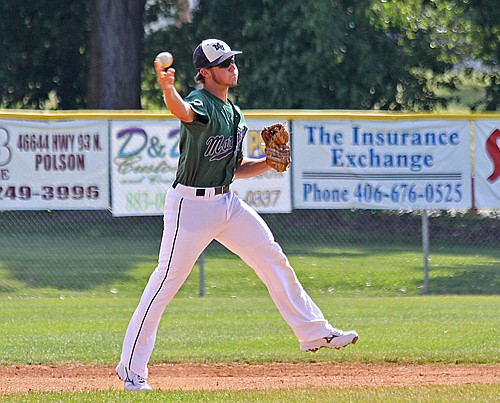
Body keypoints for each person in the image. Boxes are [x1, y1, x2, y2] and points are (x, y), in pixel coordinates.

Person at [115, 38, 358, 391]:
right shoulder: (201, 103)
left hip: (226, 203)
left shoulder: (234, 112)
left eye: (232, 60)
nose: (232, 65)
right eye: (223, 62)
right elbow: (182, 111)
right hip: (190, 207)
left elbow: (235, 167)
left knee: (272, 257)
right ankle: (131, 371)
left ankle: (314, 332)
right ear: (205, 72)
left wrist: (269, 165)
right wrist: (167, 89)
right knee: (163, 285)